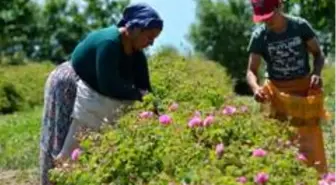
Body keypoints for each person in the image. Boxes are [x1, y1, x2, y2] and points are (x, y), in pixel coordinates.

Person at [39, 3, 163, 185]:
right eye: (149, 37)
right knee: (61, 136)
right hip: (67, 83)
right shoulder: (110, 43)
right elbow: (109, 85)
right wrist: (138, 95)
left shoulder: (137, 55)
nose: (151, 43)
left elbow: (146, 88)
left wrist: (157, 113)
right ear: (135, 28)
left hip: (89, 88)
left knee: (79, 143)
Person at [246, 0, 329, 175]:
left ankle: (317, 177)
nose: (266, 21)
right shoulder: (260, 36)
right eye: (262, 18)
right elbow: (251, 71)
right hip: (277, 96)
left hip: (303, 93)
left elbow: (318, 54)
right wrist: (255, 88)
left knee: (310, 141)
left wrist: (316, 73)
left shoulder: (299, 27)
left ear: (279, 6)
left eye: (268, 16)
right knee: (280, 142)